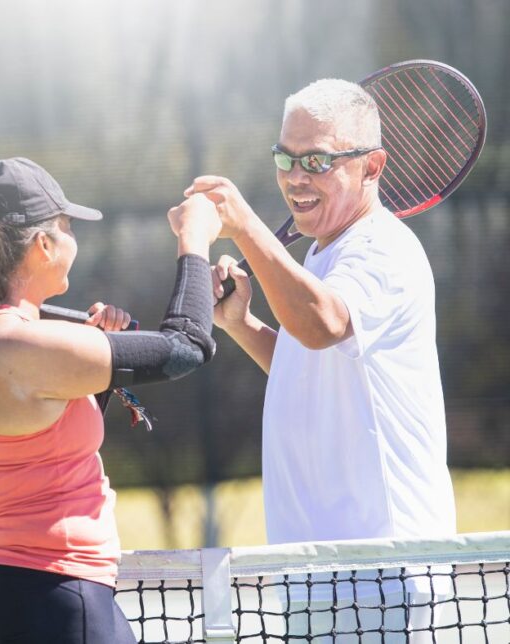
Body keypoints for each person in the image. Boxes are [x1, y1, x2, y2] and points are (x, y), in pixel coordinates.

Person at [185, 79, 456, 641]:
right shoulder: (319, 253)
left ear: (372, 165)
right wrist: (241, 324)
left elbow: (323, 324)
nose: (294, 177)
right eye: (285, 158)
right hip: (316, 575)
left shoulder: (383, 247)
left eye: (316, 159)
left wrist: (245, 225)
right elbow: (310, 363)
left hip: (383, 578)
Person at [0, 157, 221, 644]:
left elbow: (46, 437)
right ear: (43, 244)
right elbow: (185, 347)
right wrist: (196, 240)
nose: (72, 239)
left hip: (38, 591)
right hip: (58, 592)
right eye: (66, 227)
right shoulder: (20, 345)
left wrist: (92, 356)